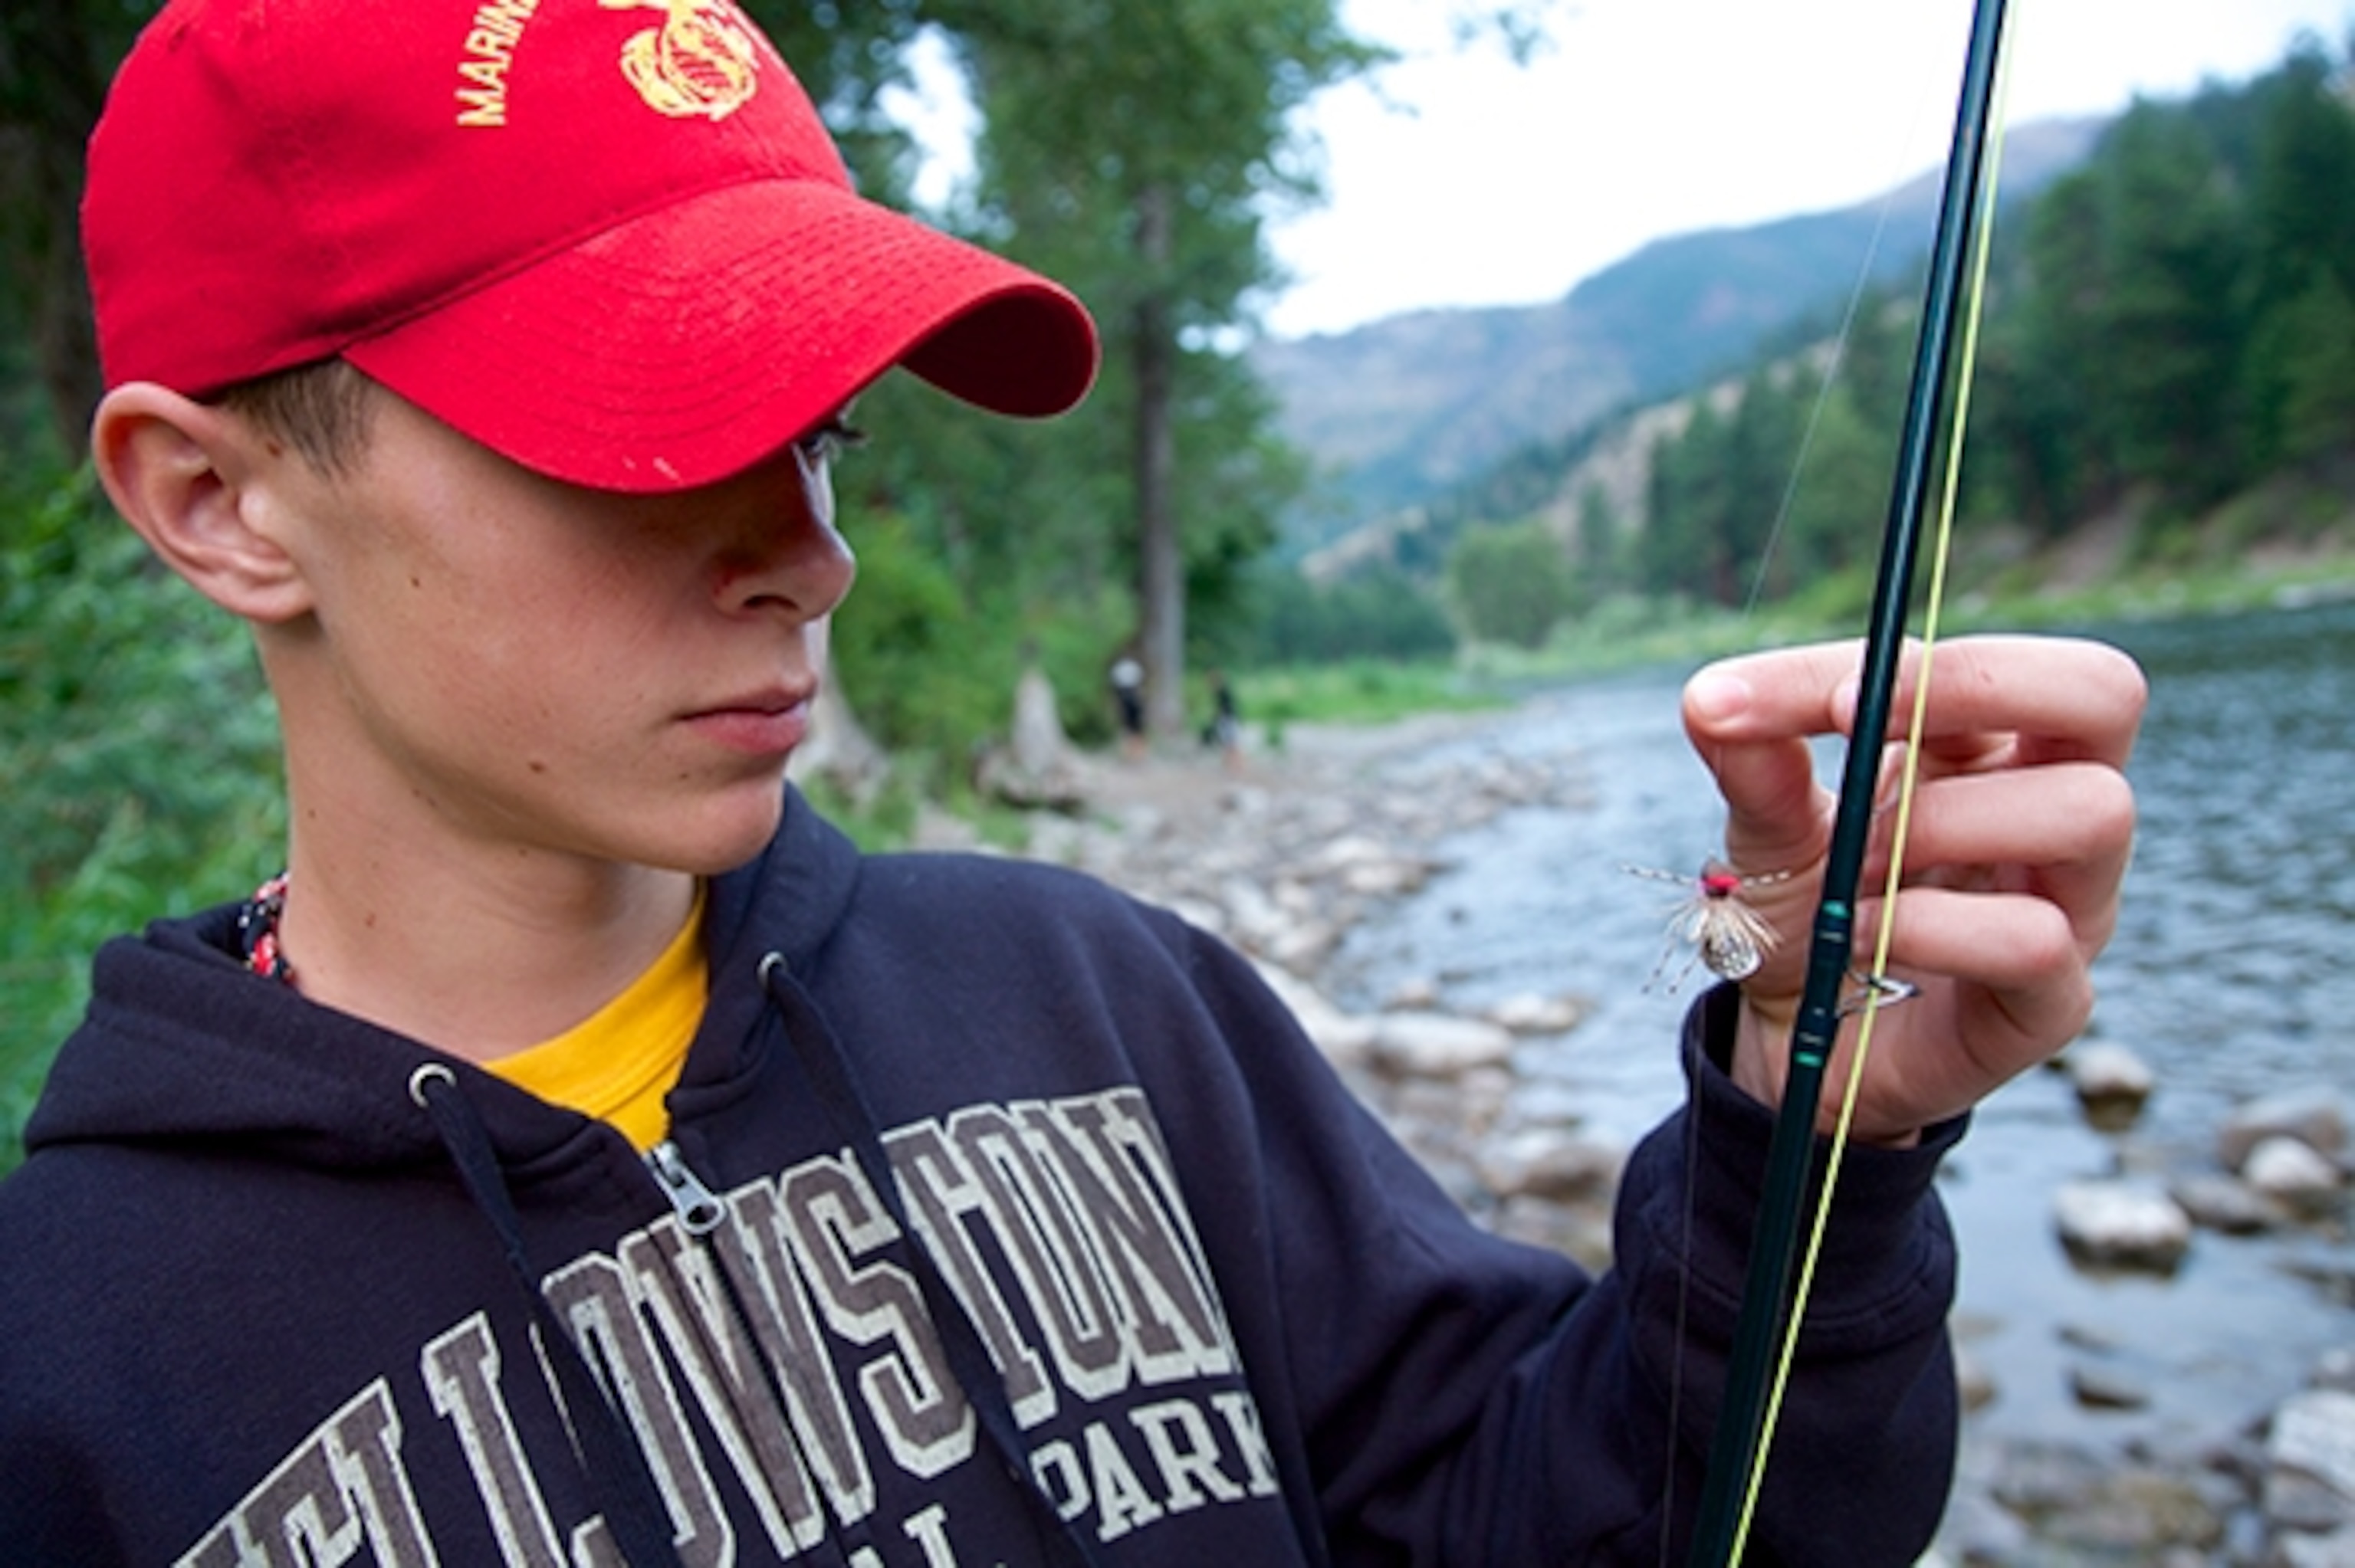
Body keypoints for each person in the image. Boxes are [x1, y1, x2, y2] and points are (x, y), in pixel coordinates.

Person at [0, 2, 2145, 1564]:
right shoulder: (70, 1375)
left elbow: (1594, 1522)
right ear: (218, 503)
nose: (813, 557)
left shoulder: (1097, 995)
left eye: (824, 433)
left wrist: (1808, 1140)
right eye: (641, 438)